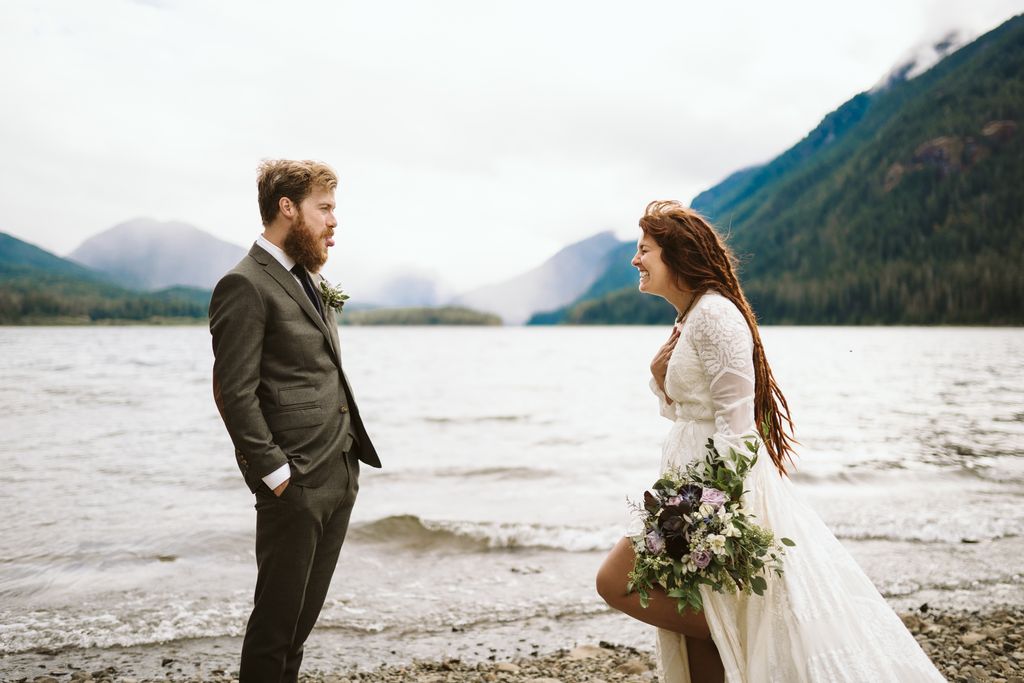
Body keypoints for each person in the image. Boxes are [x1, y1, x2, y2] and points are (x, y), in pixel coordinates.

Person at [595, 201, 945, 683]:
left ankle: (759, 642)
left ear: (677, 255)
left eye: (645, 250)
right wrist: (660, 379)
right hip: (690, 491)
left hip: (710, 497)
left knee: (617, 582)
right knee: (694, 631)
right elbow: (698, 411)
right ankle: (746, 644)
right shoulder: (692, 317)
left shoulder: (715, 315)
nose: (635, 260)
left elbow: (738, 426)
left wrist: (711, 511)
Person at [209, 159, 381, 683]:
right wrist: (276, 474)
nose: (334, 221)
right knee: (275, 627)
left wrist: (346, 463)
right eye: (324, 208)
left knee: (299, 627)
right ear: (287, 208)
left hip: (338, 471)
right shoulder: (244, 284)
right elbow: (233, 393)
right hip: (295, 482)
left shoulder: (308, 277)